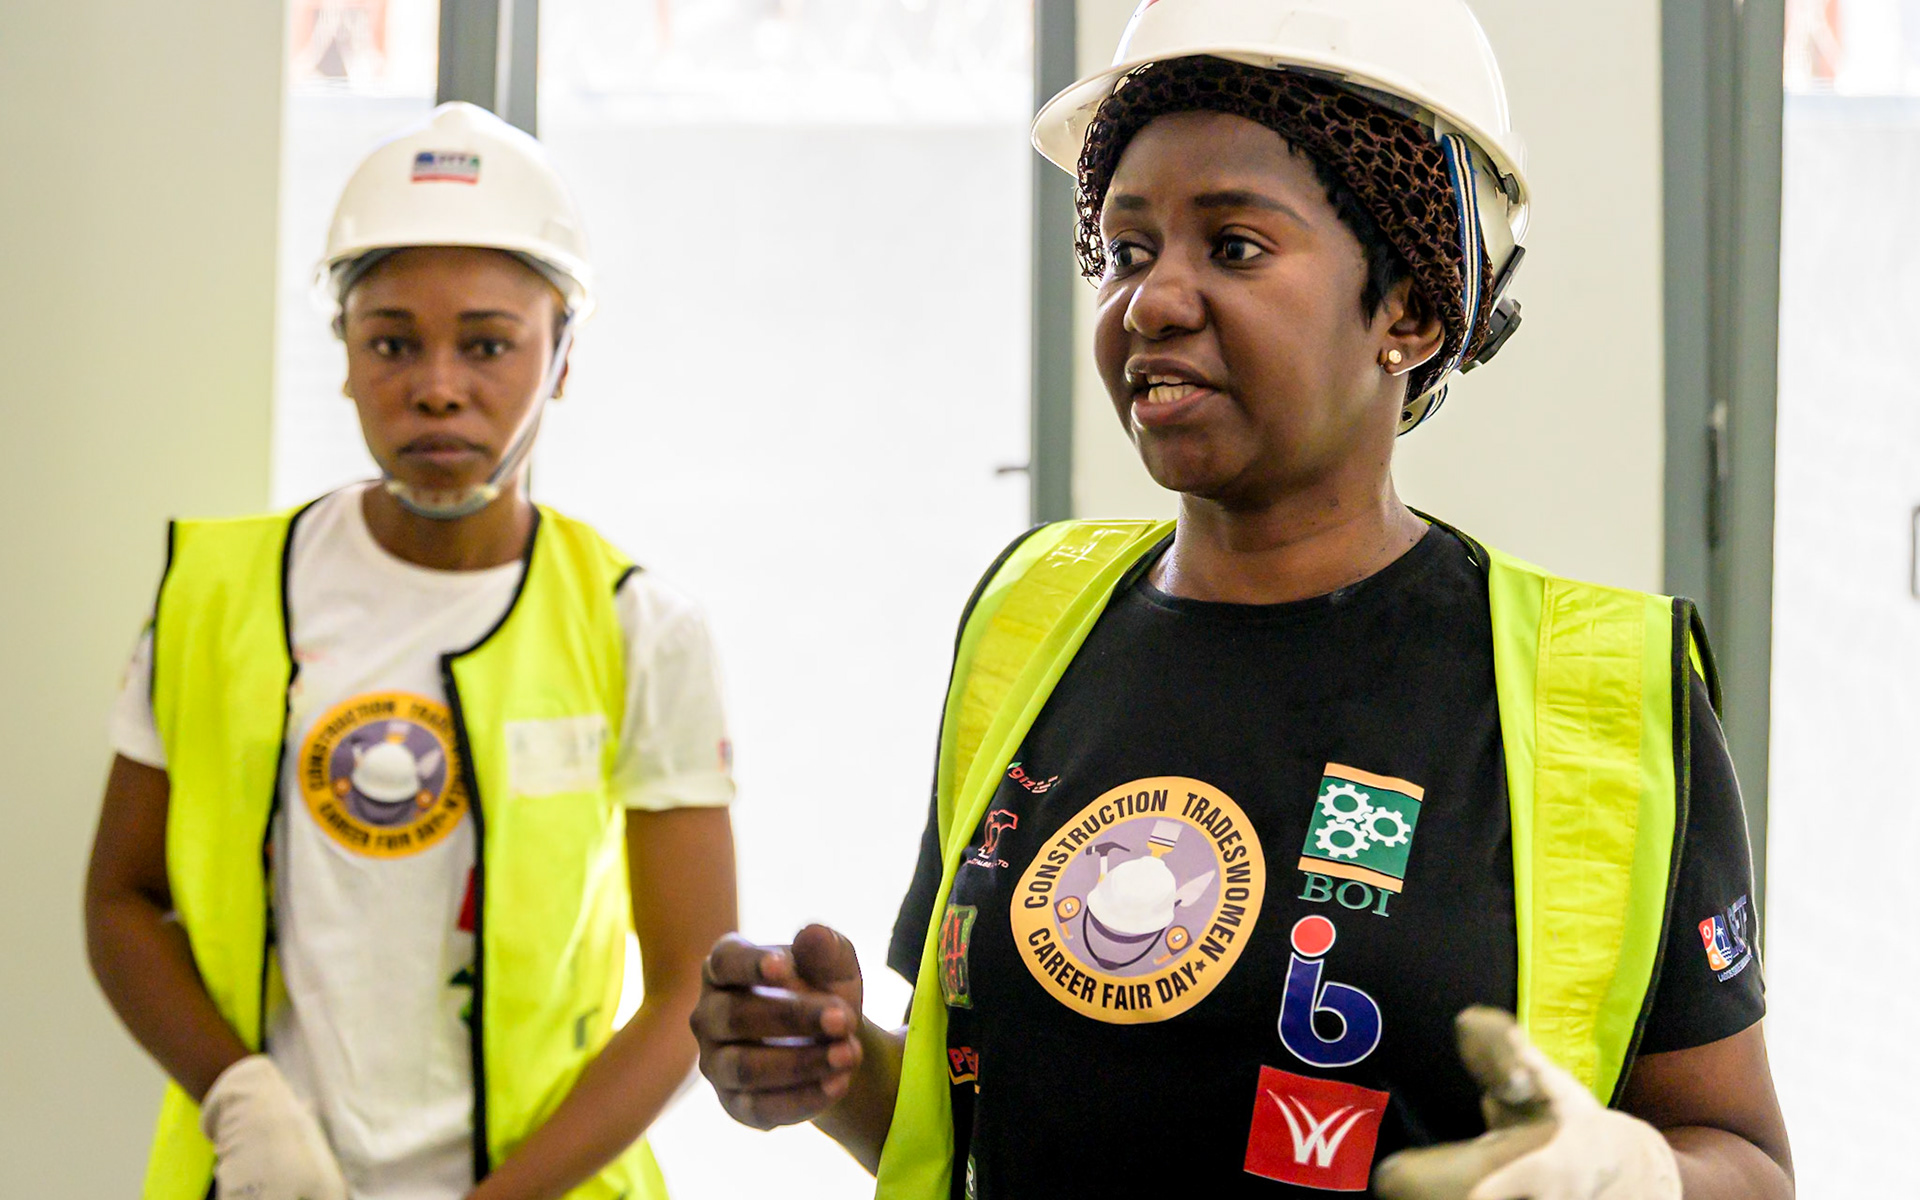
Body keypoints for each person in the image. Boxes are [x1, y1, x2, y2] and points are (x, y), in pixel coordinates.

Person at [688, 2, 1792, 1198]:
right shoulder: (1031, 615)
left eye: (1236, 247)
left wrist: (1632, 1180)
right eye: (1125, 248)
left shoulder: (1595, 689)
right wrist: (836, 1071)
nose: (1151, 301)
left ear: (1411, 310)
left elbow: (1745, 1158)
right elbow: (987, 1118)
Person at [84, 102, 738, 1200]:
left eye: (488, 343)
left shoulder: (638, 626)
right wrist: (239, 1099)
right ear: (342, 352)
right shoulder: (212, 599)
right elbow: (120, 897)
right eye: (392, 340)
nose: (437, 384)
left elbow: (688, 984)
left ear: (563, 356)